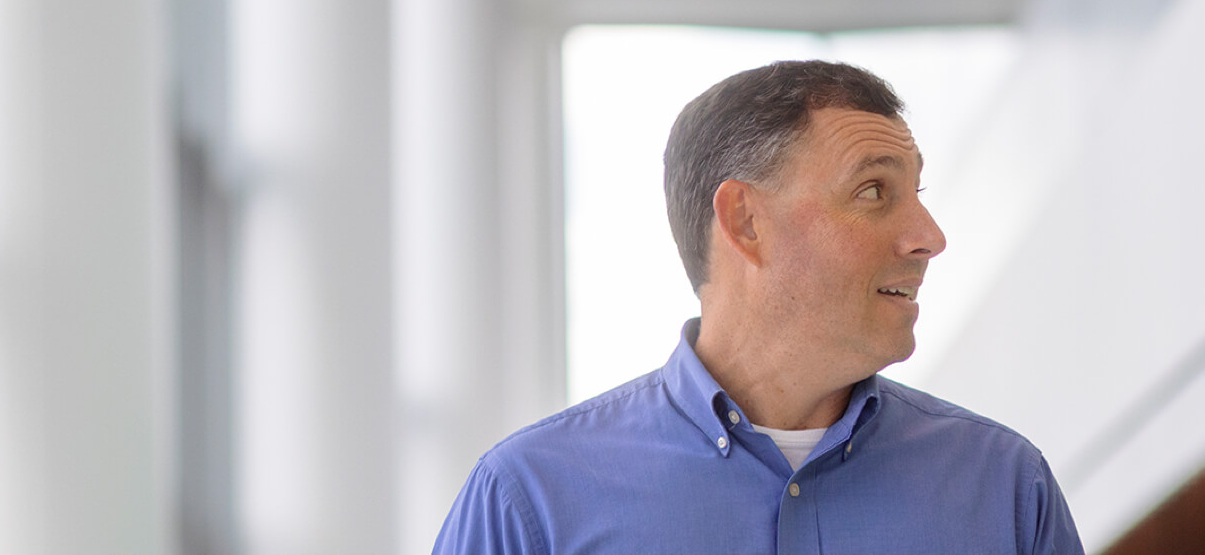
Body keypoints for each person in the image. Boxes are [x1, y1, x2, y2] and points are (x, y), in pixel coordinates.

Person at [434, 60, 1082, 554]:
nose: (929, 236)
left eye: (918, 192)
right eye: (874, 190)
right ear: (745, 221)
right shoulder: (529, 501)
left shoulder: (1005, 489)